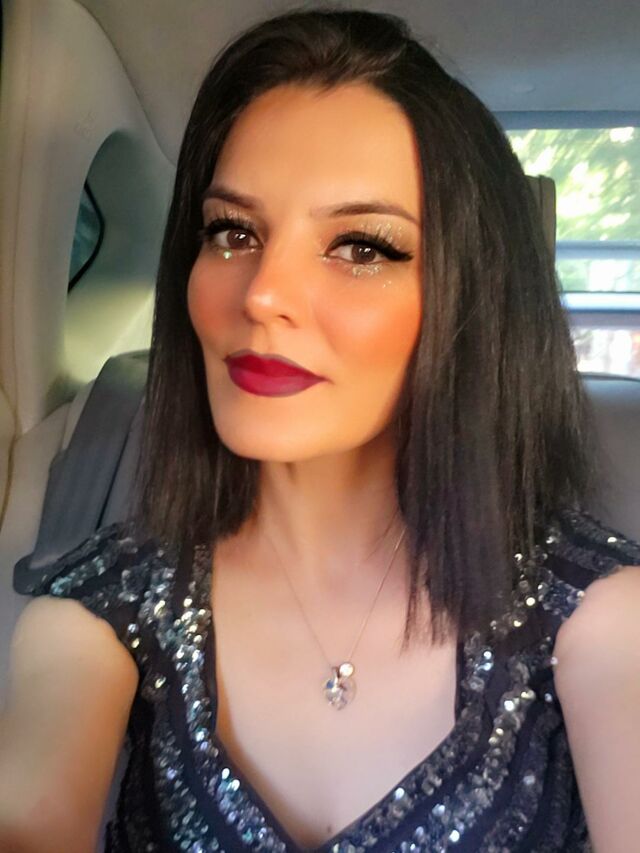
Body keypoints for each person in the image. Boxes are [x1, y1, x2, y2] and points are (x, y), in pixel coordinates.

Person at [1, 7, 639, 852]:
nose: (263, 292)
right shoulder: (95, 617)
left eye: (363, 247)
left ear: (472, 302)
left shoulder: (600, 620)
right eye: (233, 232)